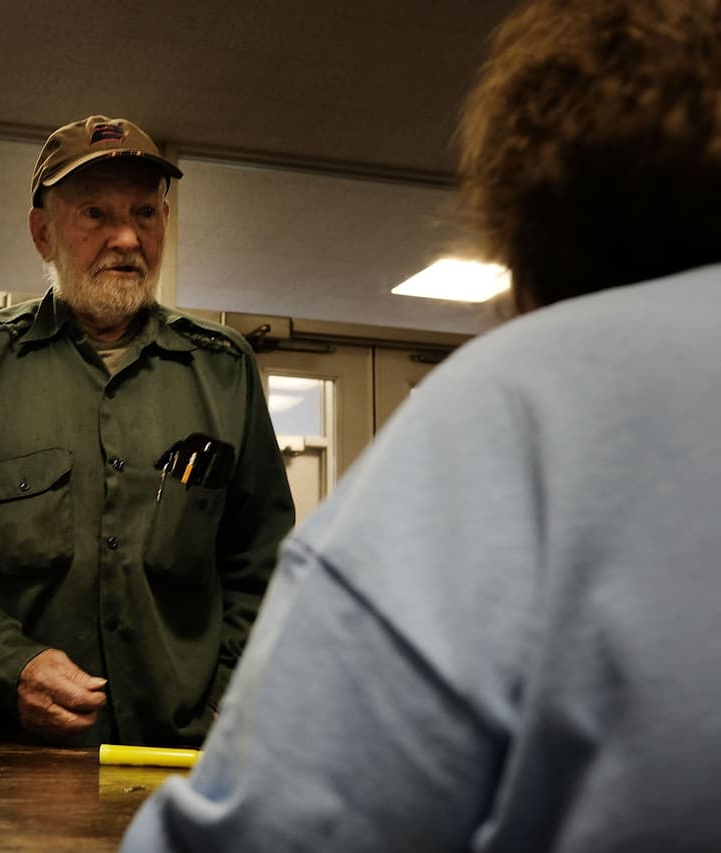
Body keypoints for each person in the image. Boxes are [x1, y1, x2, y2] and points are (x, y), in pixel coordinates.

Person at [121, 0, 721, 849]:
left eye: (145, 213)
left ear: (532, 219)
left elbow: (272, 830)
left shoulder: (515, 406)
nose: (126, 235)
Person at [0, 115, 294, 747]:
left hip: (178, 755)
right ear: (42, 233)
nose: (127, 237)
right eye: (94, 214)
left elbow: (262, 562)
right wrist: (9, 666)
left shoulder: (224, 369)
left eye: (145, 212)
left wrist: (225, 694)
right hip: (7, 758)